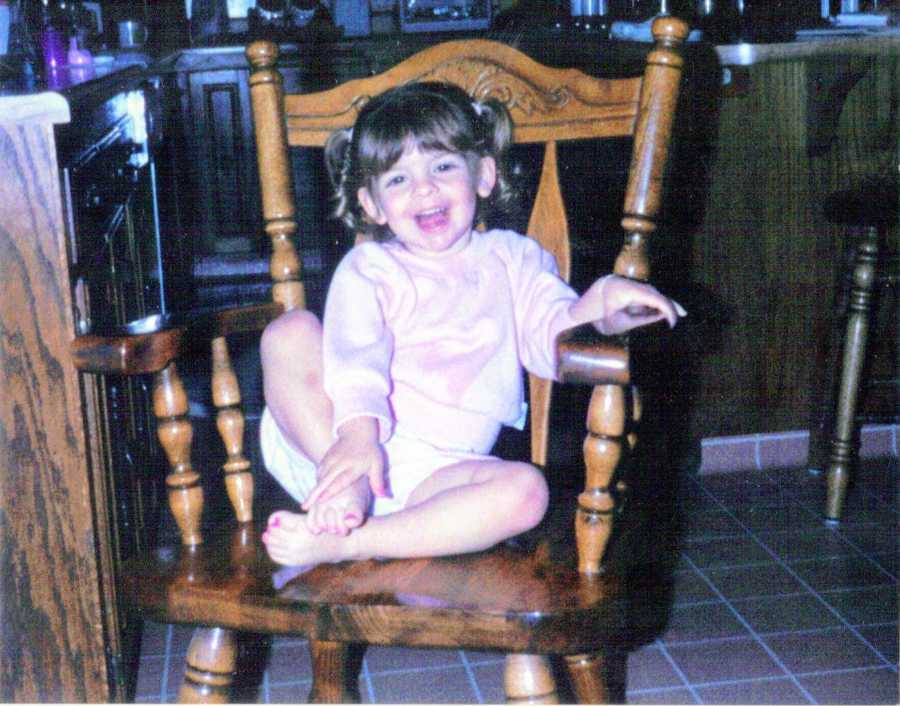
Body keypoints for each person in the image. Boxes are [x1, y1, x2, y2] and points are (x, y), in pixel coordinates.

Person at [260, 82, 685, 567]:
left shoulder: (513, 259)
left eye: (442, 167)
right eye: (398, 180)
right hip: (334, 439)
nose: (424, 188)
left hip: (441, 477)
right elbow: (355, 354)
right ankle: (350, 485)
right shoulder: (372, 267)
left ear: (482, 175)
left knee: (527, 491)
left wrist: (605, 303)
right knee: (288, 332)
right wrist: (357, 443)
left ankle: (353, 540)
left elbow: (553, 329)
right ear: (372, 205)